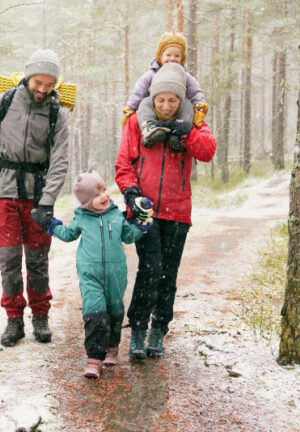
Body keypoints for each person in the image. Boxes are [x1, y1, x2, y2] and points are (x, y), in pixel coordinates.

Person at [115, 62, 216, 360]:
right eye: (161, 99)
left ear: (181, 99)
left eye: (173, 100)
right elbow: (123, 163)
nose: (167, 106)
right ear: (152, 97)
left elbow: (208, 151)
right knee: (150, 268)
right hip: (145, 210)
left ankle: (158, 328)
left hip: (178, 211)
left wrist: (186, 132)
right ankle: (137, 329)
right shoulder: (137, 122)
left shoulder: (192, 120)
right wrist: (131, 193)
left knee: (168, 273)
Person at [0, 49, 70, 347]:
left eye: (49, 84)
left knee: (38, 261)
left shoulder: (57, 113)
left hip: (38, 196)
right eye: (38, 81)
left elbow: (60, 161)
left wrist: (48, 200)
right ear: (28, 76)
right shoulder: (3, 103)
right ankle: (14, 319)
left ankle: (40, 316)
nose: (42, 89)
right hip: (5, 192)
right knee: (9, 260)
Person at [35, 170, 150, 378]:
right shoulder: (81, 219)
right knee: (94, 312)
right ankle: (94, 359)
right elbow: (68, 234)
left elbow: (128, 236)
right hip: (90, 274)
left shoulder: (116, 215)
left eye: (104, 190)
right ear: (87, 202)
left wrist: (141, 226)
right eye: (97, 195)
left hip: (116, 273)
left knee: (115, 310)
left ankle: (112, 348)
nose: (104, 196)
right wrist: (51, 225)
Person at [121, 30, 208, 130]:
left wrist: (200, 106)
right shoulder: (152, 74)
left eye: (177, 56)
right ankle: (149, 127)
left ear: (182, 58)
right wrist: (130, 108)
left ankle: (180, 129)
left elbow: (196, 91)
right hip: (155, 108)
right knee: (145, 103)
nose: (172, 58)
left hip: (176, 110)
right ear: (160, 56)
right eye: (168, 55)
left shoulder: (184, 76)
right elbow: (138, 91)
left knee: (187, 105)